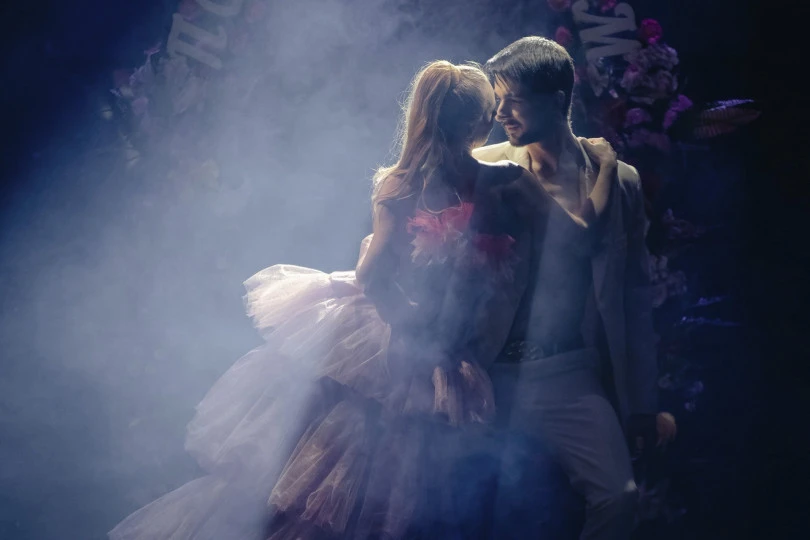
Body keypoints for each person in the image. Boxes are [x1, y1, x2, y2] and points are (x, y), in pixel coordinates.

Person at [110, 59, 613, 540]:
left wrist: (416, 329)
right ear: (477, 123)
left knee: (338, 487)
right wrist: (607, 167)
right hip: (403, 345)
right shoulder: (483, 182)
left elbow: (380, 273)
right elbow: (581, 235)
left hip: (421, 342)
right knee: (352, 486)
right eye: (490, 110)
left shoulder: (430, 181)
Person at [471, 36, 678, 540]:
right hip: (490, 373)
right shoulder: (486, 167)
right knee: (480, 512)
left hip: (568, 372)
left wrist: (642, 404)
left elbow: (634, 298)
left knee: (619, 497)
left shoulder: (621, 181)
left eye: (514, 99)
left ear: (558, 99)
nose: (501, 112)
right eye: (498, 99)